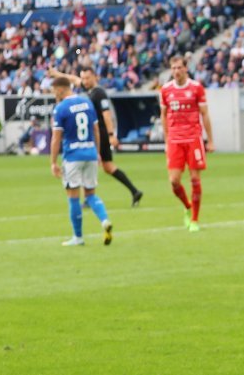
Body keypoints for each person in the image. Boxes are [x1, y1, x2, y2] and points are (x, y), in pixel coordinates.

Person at [49, 67, 144, 206]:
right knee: (106, 166)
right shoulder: (89, 91)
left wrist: (111, 134)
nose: (85, 81)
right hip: (93, 133)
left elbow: (106, 114)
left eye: (88, 78)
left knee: (95, 163)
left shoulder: (99, 93)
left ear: (95, 77)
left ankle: (90, 197)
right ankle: (133, 191)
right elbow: (74, 79)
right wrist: (58, 74)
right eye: (84, 78)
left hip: (99, 133)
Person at [49, 77, 113, 246]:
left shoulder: (61, 108)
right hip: (90, 153)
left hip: (72, 156)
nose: (54, 94)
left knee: (73, 197)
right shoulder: (87, 103)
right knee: (91, 194)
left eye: (55, 90)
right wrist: (97, 152)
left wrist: (53, 162)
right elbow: (96, 130)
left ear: (61, 89)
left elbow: (56, 138)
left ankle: (78, 237)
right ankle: (105, 220)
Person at [160, 56, 214, 232]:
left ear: (186, 68)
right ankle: (187, 205)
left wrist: (210, 139)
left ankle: (195, 220)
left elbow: (204, 114)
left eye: (179, 68)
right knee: (174, 181)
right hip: (175, 140)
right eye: (173, 68)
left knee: (195, 179)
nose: (176, 71)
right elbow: (164, 115)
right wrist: (167, 139)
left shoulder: (196, 88)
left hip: (193, 139)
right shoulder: (166, 90)